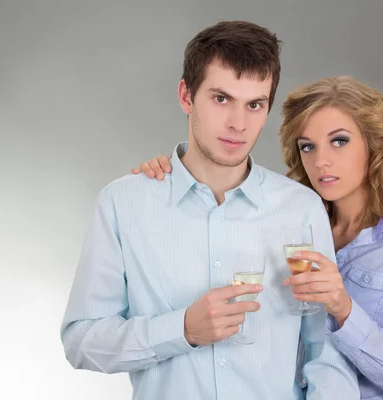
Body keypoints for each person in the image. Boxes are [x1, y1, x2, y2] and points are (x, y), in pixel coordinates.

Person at [60, 21, 360, 400]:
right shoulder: (123, 204)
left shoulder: (300, 208)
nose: (239, 124)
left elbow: (326, 349)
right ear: (187, 96)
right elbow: (81, 341)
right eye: (221, 99)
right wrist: (182, 330)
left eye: (255, 105)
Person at [132, 75, 383, 400]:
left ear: (376, 144)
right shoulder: (288, 219)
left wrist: (343, 309)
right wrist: (169, 176)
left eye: (339, 141)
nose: (320, 160)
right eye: (307, 146)